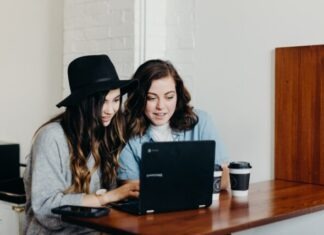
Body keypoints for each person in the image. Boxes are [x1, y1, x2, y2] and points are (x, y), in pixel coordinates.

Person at [23, 54, 139, 234]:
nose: (110, 110)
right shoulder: (51, 137)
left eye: (116, 100)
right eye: (102, 102)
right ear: (84, 102)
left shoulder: (106, 133)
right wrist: (108, 197)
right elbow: (46, 208)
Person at [117, 59, 229, 189]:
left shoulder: (201, 122)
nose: (161, 106)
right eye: (151, 98)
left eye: (169, 97)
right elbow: (130, 188)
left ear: (178, 95)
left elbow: (224, 177)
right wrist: (193, 181)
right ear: (139, 98)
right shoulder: (126, 133)